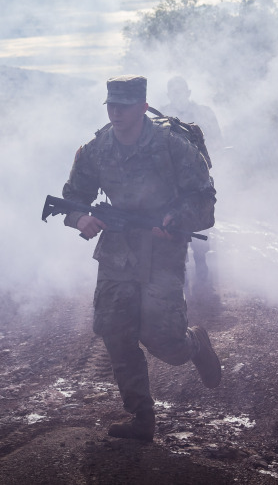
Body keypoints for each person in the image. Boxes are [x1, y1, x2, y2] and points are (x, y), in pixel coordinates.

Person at [61, 74, 221, 442]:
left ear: (144, 107)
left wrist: (176, 219)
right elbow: (72, 198)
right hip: (117, 252)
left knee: (165, 342)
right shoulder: (97, 148)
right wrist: (80, 219)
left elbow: (205, 202)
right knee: (116, 333)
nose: (115, 112)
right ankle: (141, 418)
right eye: (110, 105)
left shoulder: (173, 145)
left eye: (124, 106)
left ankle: (194, 343)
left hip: (163, 252)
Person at [161, 76, 222, 293]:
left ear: (188, 92)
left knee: (200, 217)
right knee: (176, 218)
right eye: (173, 91)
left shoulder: (203, 113)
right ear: (169, 94)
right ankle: (182, 267)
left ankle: (201, 259)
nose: (178, 95)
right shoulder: (162, 117)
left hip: (199, 174)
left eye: (181, 91)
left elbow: (216, 139)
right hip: (172, 178)